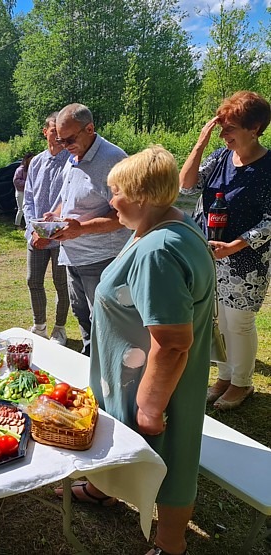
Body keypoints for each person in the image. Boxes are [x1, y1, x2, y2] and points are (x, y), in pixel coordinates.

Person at [59, 146, 214, 555]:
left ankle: (170, 545)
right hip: (131, 373)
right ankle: (104, 489)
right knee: (119, 436)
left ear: (141, 197)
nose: (111, 202)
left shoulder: (158, 250)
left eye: (116, 193)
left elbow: (173, 341)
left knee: (171, 459)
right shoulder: (165, 225)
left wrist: (149, 404)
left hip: (155, 384)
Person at [179, 90, 271, 410]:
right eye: (220, 126)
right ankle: (224, 377)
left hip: (246, 259)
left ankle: (242, 383)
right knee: (216, 321)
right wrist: (200, 143)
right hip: (209, 254)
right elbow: (186, 185)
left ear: (255, 127)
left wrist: (237, 244)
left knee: (238, 323)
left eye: (229, 127)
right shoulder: (219, 157)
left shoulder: (268, 166)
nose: (223, 133)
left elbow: (270, 219)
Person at [47, 103, 130, 356]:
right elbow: (68, 198)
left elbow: (124, 216)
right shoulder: (73, 156)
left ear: (90, 129)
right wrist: (55, 217)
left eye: (69, 139)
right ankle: (89, 365)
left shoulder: (114, 160)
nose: (64, 146)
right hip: (73, 256)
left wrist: (80, 228)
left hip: (102, 258)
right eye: (60, 141)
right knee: (82, 316)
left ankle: (108, 377)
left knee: (106, 322)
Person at [24, 113, 70, 344]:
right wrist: (33, 230)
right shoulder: (36, 162)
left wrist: (49, 232)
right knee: (33, 280)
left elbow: (69, 200)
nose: (59, 137)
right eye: (54, 131)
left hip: (61, 236)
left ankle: (59, 328)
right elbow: (28, 198)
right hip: (36, 236)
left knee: (62, 284)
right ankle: (39, 325)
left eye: (62, 133)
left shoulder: (71, 161)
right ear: (45, 132)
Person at [13, 153, 35, 228]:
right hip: (21, 192)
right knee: (21, 209)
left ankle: (28, 225)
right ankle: (17, 224)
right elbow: (16, 181)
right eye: (31, 159)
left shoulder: (32, 169)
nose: (32, 160)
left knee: (29, 209)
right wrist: (28, 183)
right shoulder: (20, 169)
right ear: (26, 160)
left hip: (29, 192)